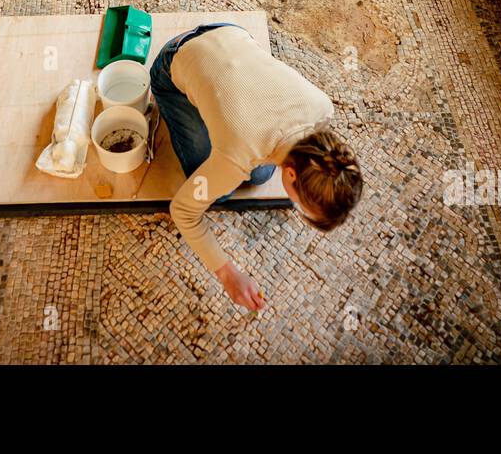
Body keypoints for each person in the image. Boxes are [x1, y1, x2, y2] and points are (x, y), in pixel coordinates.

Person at [151, 23, 364, 310]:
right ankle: (175, 96)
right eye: (299, 203)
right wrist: (227, 274)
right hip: (173, 58)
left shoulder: (323, 108)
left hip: (232, 33)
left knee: (259, 172)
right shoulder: (237, 156)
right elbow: (184, 211)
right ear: (291, 174)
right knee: (224, 192)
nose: (294, 203)